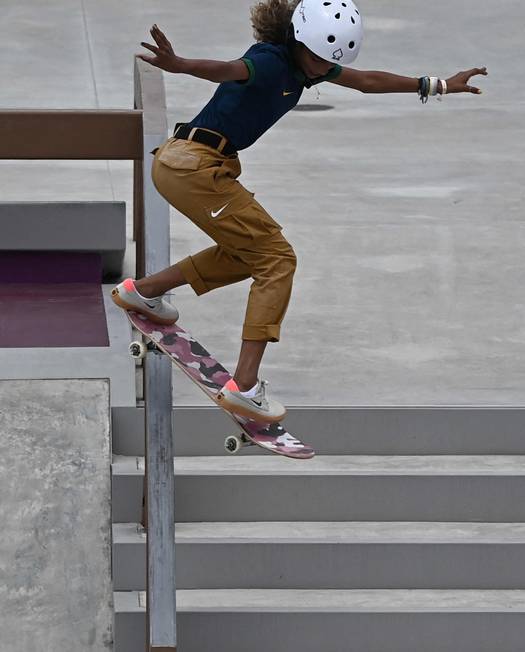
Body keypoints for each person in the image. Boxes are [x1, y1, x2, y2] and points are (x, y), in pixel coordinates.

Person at [111, 0, 486, 422]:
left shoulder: (309, 66)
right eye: (316, 59)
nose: (321, 69)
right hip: (194, 166)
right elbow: (230, 69)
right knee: (278, 259)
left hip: (195, 166)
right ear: (296, 40)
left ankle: (141, 292)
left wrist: (436, 85)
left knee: (248, 255)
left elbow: (366, 80)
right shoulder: (272, 61)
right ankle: (245, 386)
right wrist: (180, 65)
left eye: (329, 64)